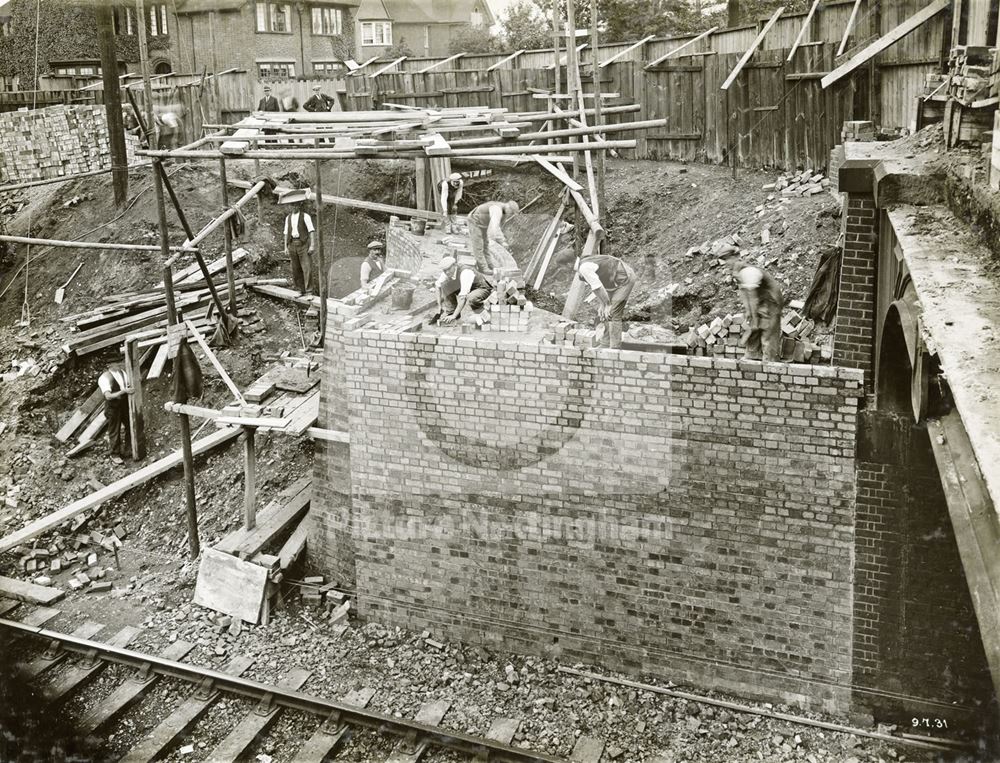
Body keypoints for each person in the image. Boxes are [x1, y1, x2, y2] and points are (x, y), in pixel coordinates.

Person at [719, 248, 783, 361]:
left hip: (771, 302)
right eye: (724, 260)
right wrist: (749, 312)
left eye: (727, 259)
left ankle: (770, 363)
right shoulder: (737, 272)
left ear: (735, 257)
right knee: (753, 330)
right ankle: (752, 357)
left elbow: (753, 298)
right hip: (761, 303)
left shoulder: (748, 272)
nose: (726, 264)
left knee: (768, 334)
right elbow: (744, 293)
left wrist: (755, 319)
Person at [575, 251, 636, 349]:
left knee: (613, 312)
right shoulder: (581, 268)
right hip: (612, 282)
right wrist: (602, 304)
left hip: (624, 279)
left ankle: (615, 349)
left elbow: (598, 287)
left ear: (568, 264)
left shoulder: (584, 267)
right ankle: (605, 344)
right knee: (604, 313)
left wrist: (607, 304)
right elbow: (595, 287)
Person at [466, 200, 518, 275]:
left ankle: (490, 265)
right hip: (474, 221)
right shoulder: (497, 210)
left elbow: (499, 227)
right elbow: (494, 229)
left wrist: (502, 241)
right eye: (512, 213)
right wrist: (502, 242)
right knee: (479, 245)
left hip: (483, 223)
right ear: (508, 208)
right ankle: (483, 268)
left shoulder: (505, 213)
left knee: (486, 245)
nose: (511, 215)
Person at [436, 257, 493, 325]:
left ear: (455, 265)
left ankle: (484, 316)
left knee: (472, 298)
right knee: (445, 285)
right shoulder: (445, 273)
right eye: (445, 270)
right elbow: (437, 286)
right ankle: (452, 315)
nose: (447, 272)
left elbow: (462, 297)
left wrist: (454, 315)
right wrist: (439, 306)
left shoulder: (465, 272)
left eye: (449, 269)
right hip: (468, 288)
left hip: (481, 288)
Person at [281, 191, 316, 294]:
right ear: (290, 206)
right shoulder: (288, 218)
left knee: (307, 268)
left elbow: (311, 231)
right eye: (292, 205)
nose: (294, 207)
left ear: (299, 205)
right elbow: (286, 233)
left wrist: (312, 245)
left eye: (296, 205)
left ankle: (309, 291)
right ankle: (300, 290)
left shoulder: (305, 216)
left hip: (303, 245)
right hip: (292, 245)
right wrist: (285, 247)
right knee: (296, 269)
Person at [98, 364, 132, 461]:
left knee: (130, 425)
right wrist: (123, 391)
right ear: (109, 365)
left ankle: (128, 449)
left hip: (124, 405)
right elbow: (108, 396)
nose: (120, 364)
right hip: (113, 407)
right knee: (114, 430)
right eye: (116, 363)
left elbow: (127, 385)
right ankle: (115, 454)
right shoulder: (105, 377)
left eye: (119, 362)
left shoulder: (123, 372)